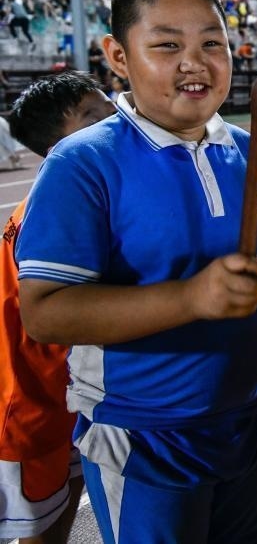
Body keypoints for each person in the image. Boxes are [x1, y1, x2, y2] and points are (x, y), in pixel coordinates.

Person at [15, 0, 257, 543]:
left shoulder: (243, 146)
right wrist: (191, 298)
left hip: (247, 415)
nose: (194, 63)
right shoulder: (82, 163)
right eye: (167, 45)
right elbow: (45, 312)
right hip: (144, 433)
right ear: (118, 57)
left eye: (211, 44)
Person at [0, 72, 116, 544]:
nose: (114, 119)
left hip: (64, 393)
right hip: (30, 402)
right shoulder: (53, 209)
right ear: (57, 147)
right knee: (38, 529)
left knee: (64, 500)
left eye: (110, 106)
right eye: (93, 116)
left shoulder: (77, 193)